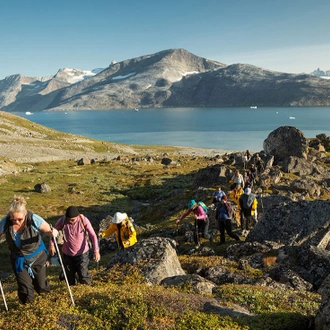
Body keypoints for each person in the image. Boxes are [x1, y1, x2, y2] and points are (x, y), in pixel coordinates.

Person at [0, 195, 57, 304]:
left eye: (20, 219)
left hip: (37, 258)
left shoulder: (33, 219)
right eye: (13, 219)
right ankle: (27, 307)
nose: (16, 222)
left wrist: (53, 232)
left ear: (25, 214)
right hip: (19, 261)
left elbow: (49, 231)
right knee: (25, 288)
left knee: (41, 285)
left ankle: (46, 305)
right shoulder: (6, 222)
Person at [49, 206, 100, 286]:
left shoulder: (83, 220)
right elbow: (53, 232)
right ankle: (74, 291)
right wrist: (51, 245)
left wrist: (96, 251)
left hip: (82, 253)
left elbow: (93, 235)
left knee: (83, 275)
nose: (70, 221)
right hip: (67, 254)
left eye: (72, 220)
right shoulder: (62, 220)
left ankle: (86, 291)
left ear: (78, 216)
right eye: (68, 219)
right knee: (69, 277)